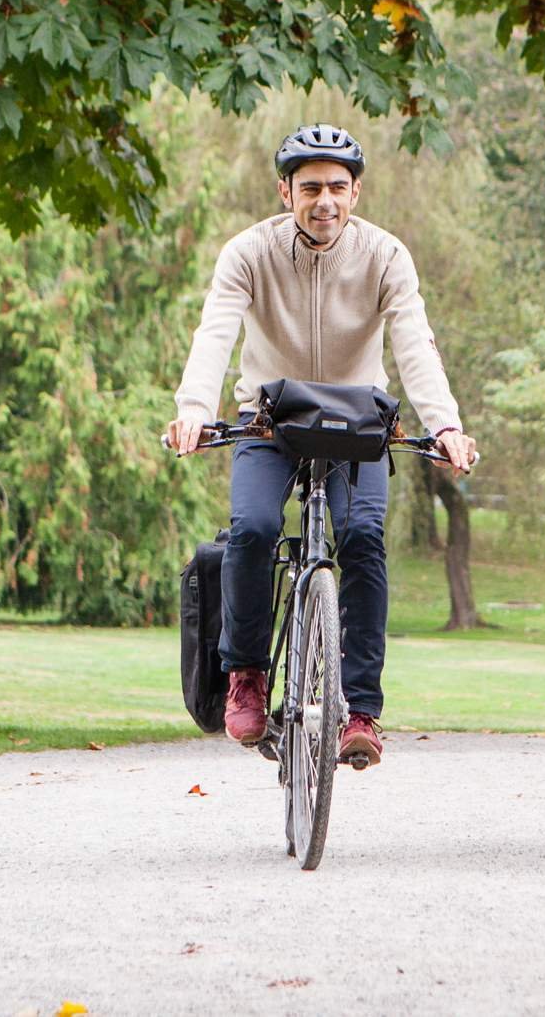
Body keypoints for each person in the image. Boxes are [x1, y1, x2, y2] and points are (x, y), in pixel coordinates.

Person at [165, 123, 479, 767]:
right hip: (269, 422)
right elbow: (215, 332)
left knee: (363, 537)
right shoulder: (248, 252)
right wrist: (194, 410)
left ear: (357, 192)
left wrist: (445, 424)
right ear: (285, 192)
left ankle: (359, 708)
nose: (325, 201)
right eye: (310, 187)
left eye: (338, 186)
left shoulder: (386, 255)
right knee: (251, 531)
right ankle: (246, 675)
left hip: (359, 426)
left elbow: (414, 342)